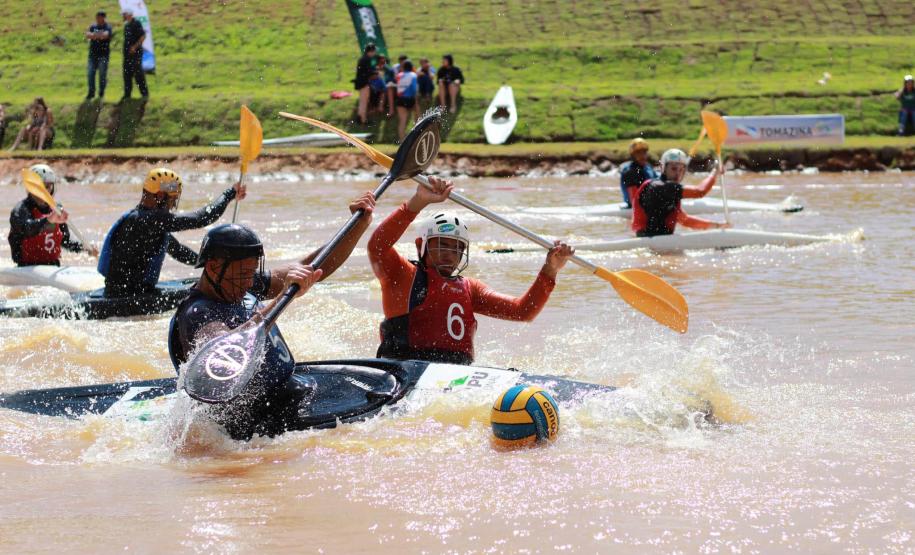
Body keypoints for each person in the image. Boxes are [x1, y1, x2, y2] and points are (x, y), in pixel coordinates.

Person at [168, 192, 375, 438]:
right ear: (213, 267)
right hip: (248, 422)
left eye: (251, 273)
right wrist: (281, 298)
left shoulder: (237, 283)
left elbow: (313, 268)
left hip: (284, 393)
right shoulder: (198, 312)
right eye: (243, 274)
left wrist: (358, 225)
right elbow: (224, 348)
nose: (249, 282)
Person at [368, 177, 574, 365]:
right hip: (407, 370)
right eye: (442, 245)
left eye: (457, 248)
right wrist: (418, 201)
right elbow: (377, 247)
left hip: (459, 374)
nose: (450, 254)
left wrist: (550, 269)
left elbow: (523, 312)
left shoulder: (470, 288)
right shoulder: (404, 276)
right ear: (422, 245)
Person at [97, 168, 243, 298]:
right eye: (172, 199)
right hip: (128, 296)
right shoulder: (147, 220)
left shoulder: (143, 220)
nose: (172, 205)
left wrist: (207, 264)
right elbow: (201, 218)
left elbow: (178, 251)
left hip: (122, 292)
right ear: (160, 195)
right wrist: (229, 193)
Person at [8, 164, 98, 266]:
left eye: (48, 186)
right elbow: (27, 228)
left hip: (52, 265)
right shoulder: (20, 210)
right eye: (42, 186)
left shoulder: (56, 209)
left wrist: (84, 247)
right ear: (32, 187)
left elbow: (65, 242)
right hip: (26, 267)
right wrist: (48, 220)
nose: (45, 190)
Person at [631, 149, 728, 237]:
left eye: (681, 170)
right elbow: (700, 191)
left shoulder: (670, 192)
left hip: (659, 240)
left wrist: (717, 226)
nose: (678, 174)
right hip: (649, 239)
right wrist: (715, 172)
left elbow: (684, 220)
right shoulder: (659, 187)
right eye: (673, 169)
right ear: (663, 168)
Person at [619, 138, 658, 208]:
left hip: (650, 203)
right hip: (635, 207)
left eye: (644, 152)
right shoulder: (630, 172)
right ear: (633, 155)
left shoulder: (648, 168)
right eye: (638, 153)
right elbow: (634, 201)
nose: (642, 156)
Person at [121, 9, 148, 100]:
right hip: (127, 54)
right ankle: (127, 94)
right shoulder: (126, 26)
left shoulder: (136, 23)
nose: (123, 16)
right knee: (127, 74)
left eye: (124, 14)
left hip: (136, 53)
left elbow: (143, 36)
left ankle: (144, 94)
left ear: (129, 15)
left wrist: (135, 47)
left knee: (138, 73)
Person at [85, 10, 112, 100]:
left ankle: (101, 92)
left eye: (99, 17)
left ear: (103, 18)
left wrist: (94, 35)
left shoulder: (107, 26)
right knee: (90, 73)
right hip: (92, 55)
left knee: (102, 74)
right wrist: (98, 35)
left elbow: (106, 35)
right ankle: (91, 92)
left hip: (103, 55)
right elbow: (87, 34)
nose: (97, 19)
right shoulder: (93, 26)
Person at [395, 60, 419, 141]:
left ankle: (401, 140)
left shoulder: (399, 75)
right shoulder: (413, 75)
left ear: (403, 67)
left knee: (402, 121)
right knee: (417, 118)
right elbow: (414, 89)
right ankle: (416, 137)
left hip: (400, 99)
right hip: (410, 98)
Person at [354, 43, 376, 124]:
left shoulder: (363, 58)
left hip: (361, 82)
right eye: (374, 51)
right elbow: (368, 71)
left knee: (362, 101)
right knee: (364, 101)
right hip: (363, 83)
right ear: (370, 51)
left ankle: (361, 118)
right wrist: (375, 73)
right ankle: (362, 119)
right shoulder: (366, 59)